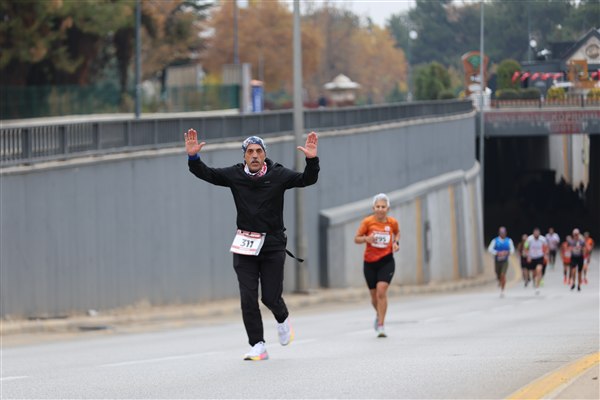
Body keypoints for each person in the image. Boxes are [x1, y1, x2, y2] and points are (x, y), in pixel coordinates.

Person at [185, 128, 320, 360]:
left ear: (265, 154)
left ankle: (282, 318)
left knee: (270, 297)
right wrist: (193, 157)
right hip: (245, 244)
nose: (255, 155)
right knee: (248, 297)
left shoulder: (278, 174)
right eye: (250, 152)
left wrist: (312, 160)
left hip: (273, 245)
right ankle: (258, 344)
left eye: (259, 151)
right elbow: (207, 173)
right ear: (244, 156)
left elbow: (307, 179)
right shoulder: (235, 175)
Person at [354, 193, 400, 338]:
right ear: (373, 208)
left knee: (381, 292)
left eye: (383, 207)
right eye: (378, 206)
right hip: (369, 263)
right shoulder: (367, 222)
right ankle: (379, 314)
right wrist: (366, 239)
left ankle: (381, 325)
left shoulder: (392, 222)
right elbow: (356, 239)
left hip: (386, 261)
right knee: (374, 297)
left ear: (388, 208)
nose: (380, 209)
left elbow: (397, 233)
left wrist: (396, 243)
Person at [487, 227, 515, 297]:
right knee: (498, 274)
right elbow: (490, 249)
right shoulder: (495, 241)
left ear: (506, 233)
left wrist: (507, 252)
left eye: (503, 233)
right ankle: (500, 280)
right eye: (501, 233)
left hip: (505, 261)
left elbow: (512, 250)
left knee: (503, 275)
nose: (502, 234)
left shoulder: (509, 241)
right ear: (499, 233)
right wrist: (497, 253)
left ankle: (503, 290)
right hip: (497, 261)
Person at [526, 228, 548, 295]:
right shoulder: (529, 239)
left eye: (537, 233)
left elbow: (546, 247)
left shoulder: (542, 239)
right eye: (535, 233)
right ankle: (535, 281)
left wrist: (545, 254)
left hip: (540, 257)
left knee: (539, 270)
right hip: (532, 257)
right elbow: (526, 247)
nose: (536, 234)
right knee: (534, 273)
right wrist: (528, 256)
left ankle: (537, 286)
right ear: (533, 233)